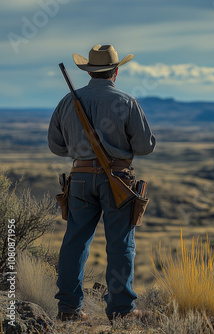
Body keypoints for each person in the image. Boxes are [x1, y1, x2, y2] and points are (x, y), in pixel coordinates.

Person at [48, 44, 156, 321]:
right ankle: (121, 311)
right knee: (120, 244)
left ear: (89, 72)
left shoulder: (66, 102)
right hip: (118, 181)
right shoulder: (127, 102)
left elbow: (57, 147)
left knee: (75, 242)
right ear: (116, 72)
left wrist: (80, 149)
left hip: (80, 180)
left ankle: (69, 309)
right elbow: (144, 147)